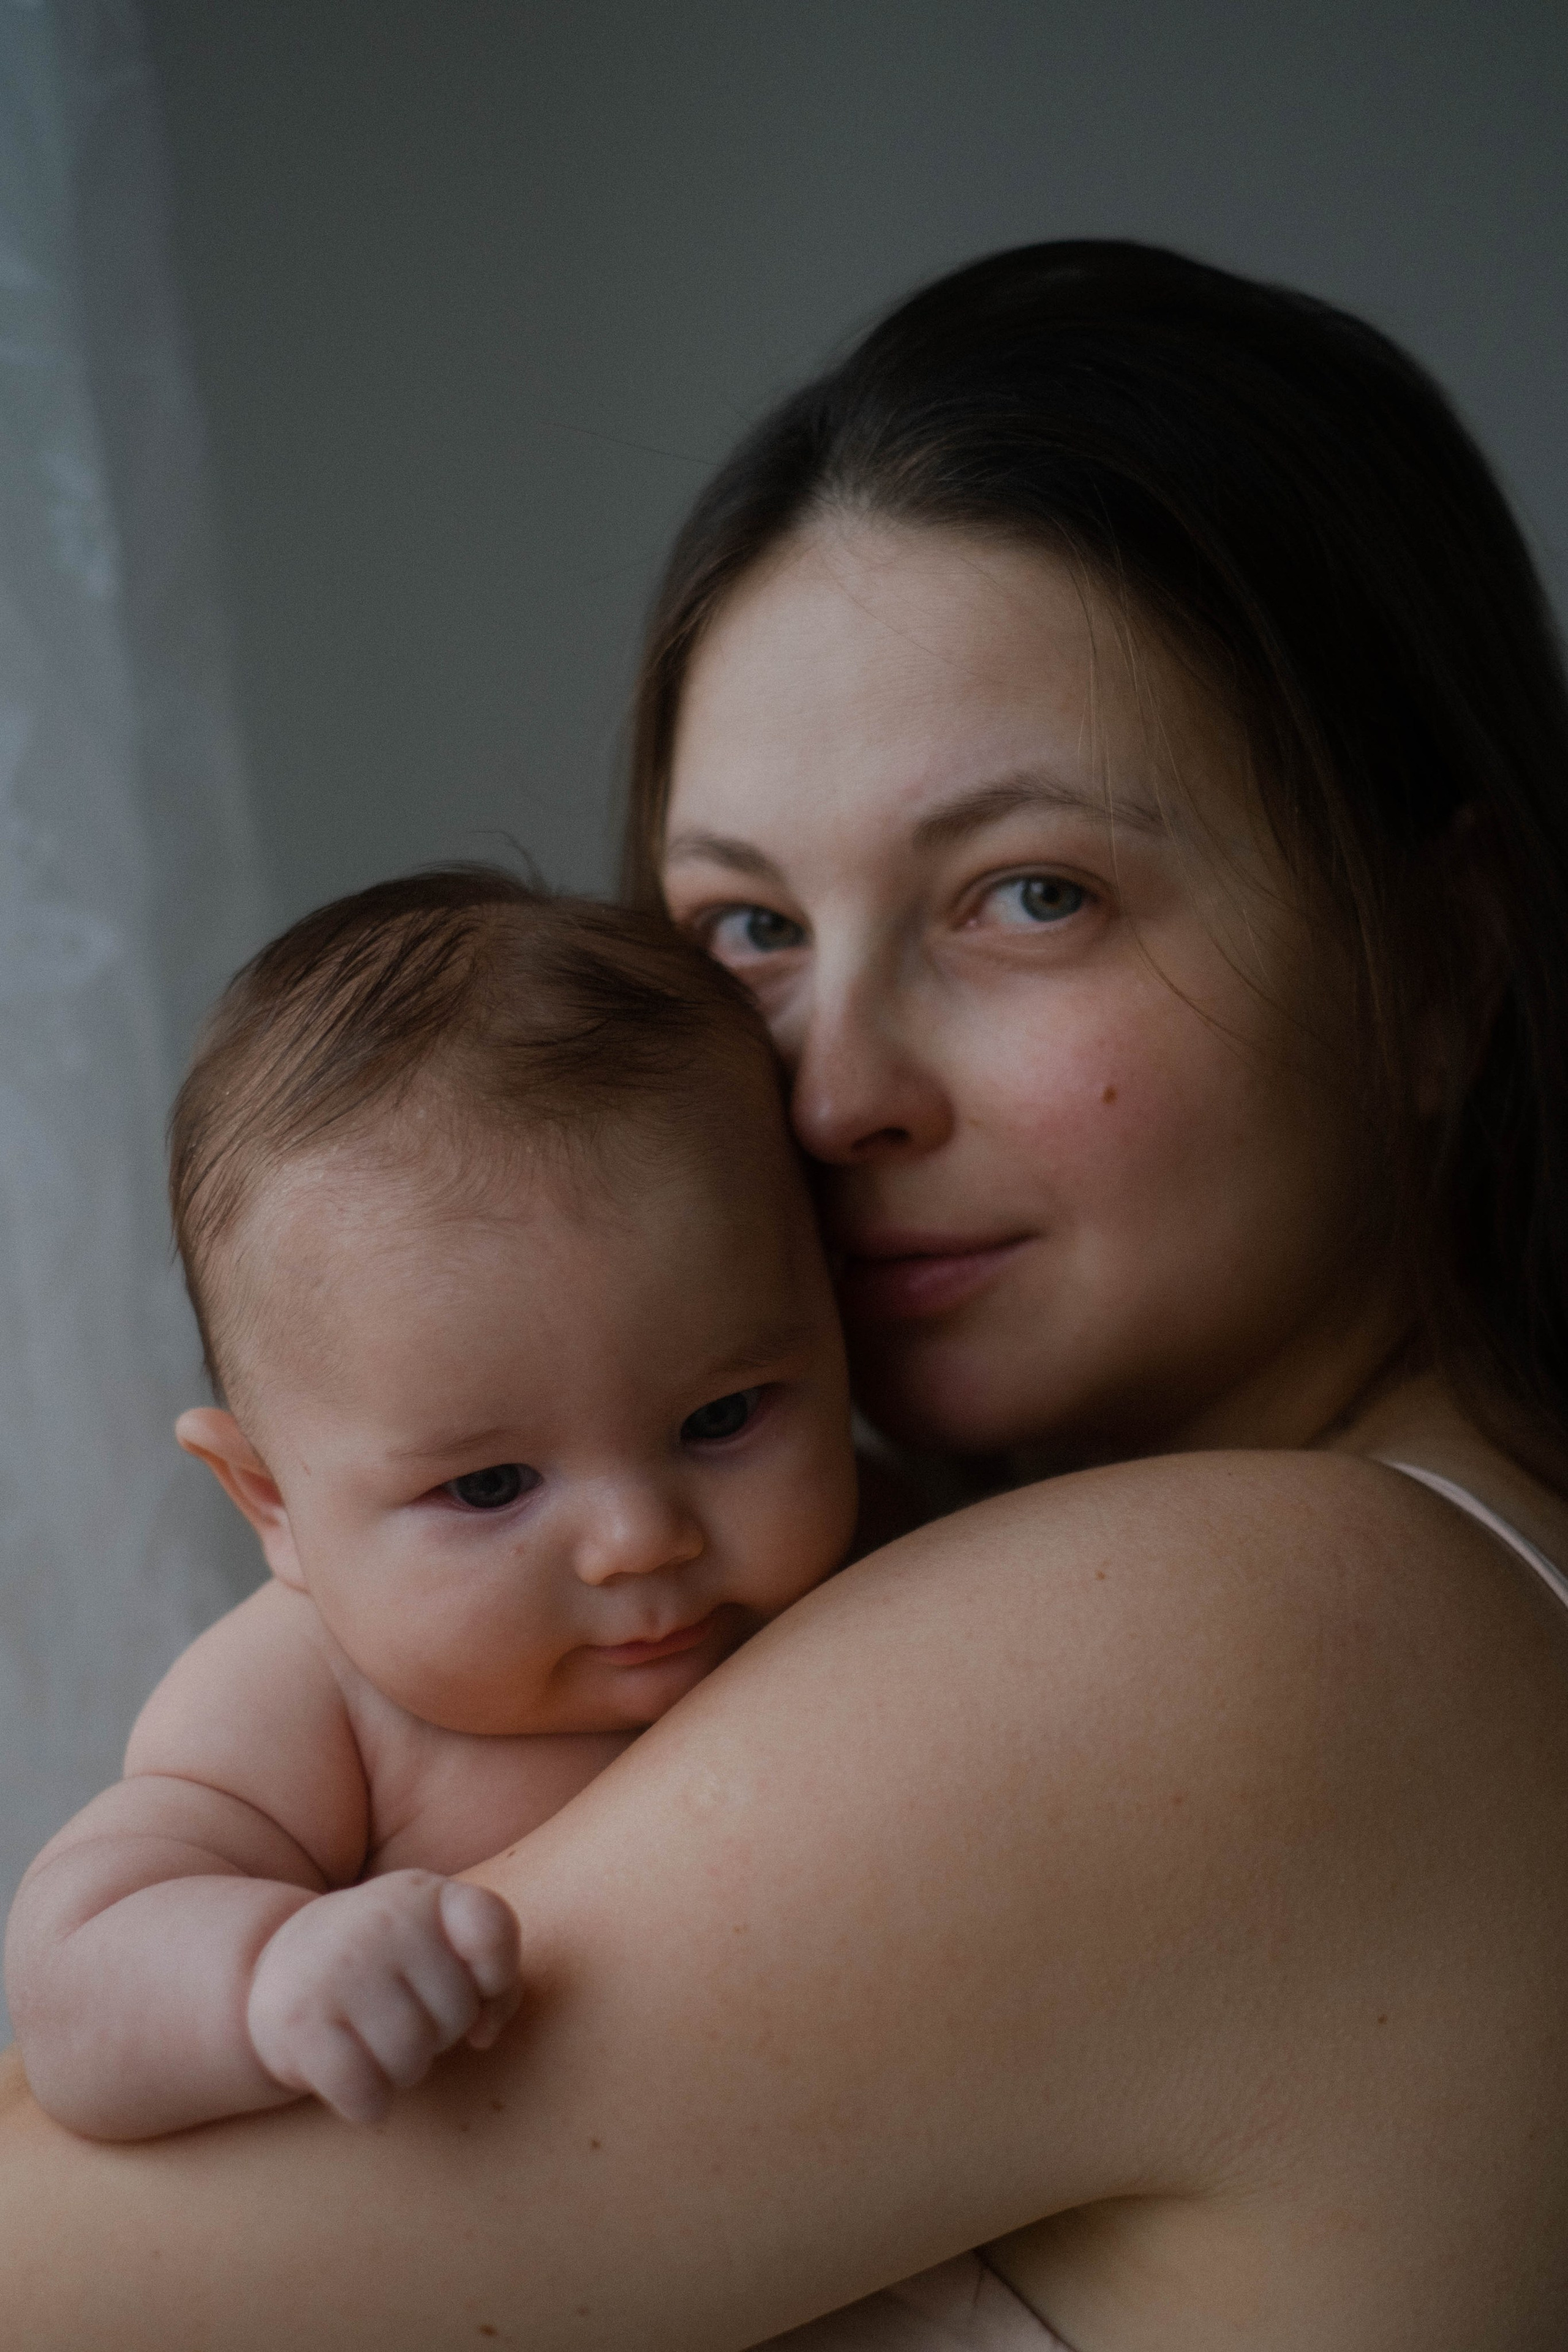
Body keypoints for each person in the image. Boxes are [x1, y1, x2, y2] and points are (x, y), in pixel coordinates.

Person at [2, 238, 1567, 2349]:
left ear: (1448, 962)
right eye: (745, 928)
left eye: (1031, 895)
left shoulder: (1255, 1634)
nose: (828, 1093)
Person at [5, 873, 858, 2138]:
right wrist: (266, 1977)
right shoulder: (307, 1700)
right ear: (270, 1503)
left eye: (722, 1417)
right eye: (491, 1486)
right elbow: (75, 1991)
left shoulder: (880, 1560)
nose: (638, 1540)